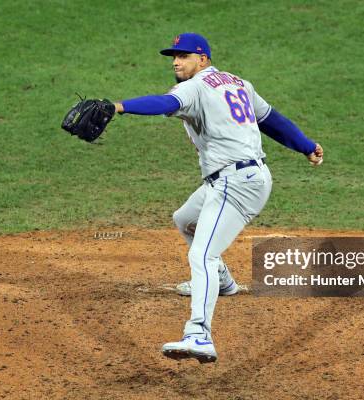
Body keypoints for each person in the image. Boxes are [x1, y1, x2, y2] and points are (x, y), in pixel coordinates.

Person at [113, 33, 323, 363]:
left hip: (237, 183)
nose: (176, 61)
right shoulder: (239, 83)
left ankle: (199, 334)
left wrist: (119, 106)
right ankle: (224, 283)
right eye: (174, 56)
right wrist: (306, 145)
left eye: (184, 56)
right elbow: (272, 121)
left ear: (204, 60)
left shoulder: (195, 86)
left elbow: (166, 103)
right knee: (185, 219)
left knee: (202, 255)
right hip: (238, 177)